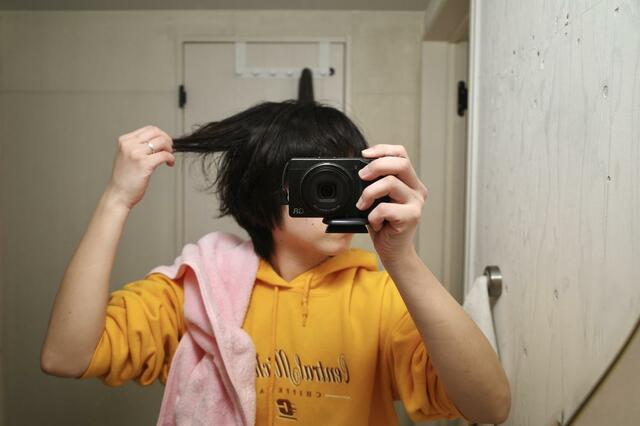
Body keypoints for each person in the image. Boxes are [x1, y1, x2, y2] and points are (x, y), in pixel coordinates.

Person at [40, 100, 510, 425]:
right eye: (318, 181)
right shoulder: (202, 292)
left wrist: (401, 257)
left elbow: (490, 407)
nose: (335, 197)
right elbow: (65, 356)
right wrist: (116, 199)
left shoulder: (383, 299)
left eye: (344, 178)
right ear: (262, 193)